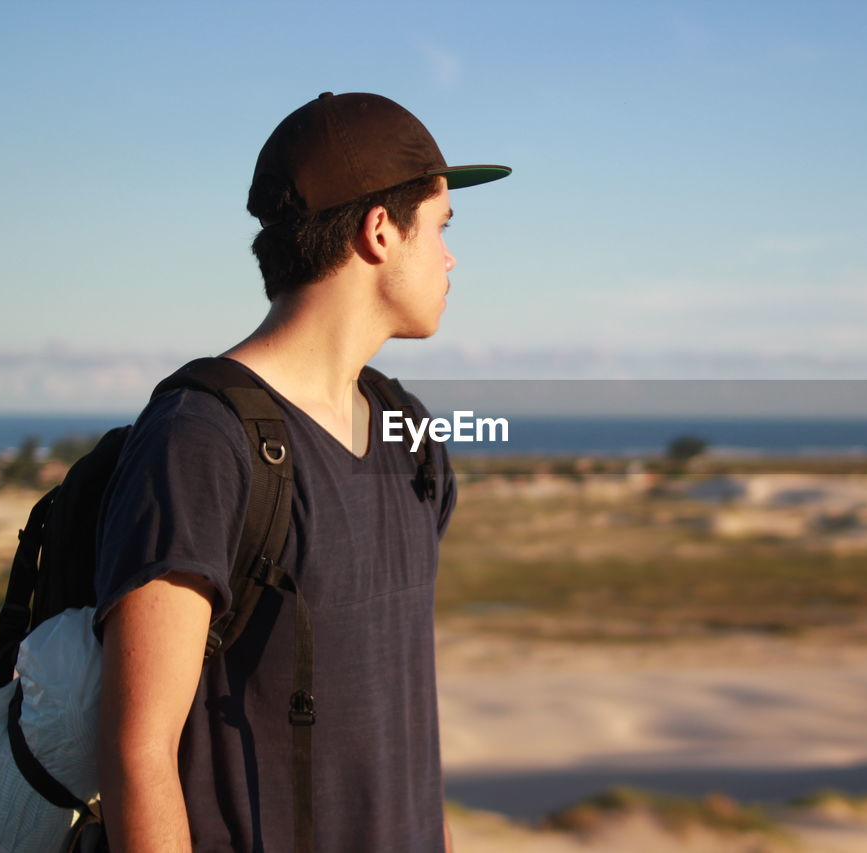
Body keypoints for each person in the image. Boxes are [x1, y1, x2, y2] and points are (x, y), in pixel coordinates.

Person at [93, 92, 510, 852]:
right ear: (381, 230)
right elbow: (136, 752)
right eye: (442, 226)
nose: (450, 256)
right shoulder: (199, 441)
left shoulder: (409, 433)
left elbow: (403, 725)